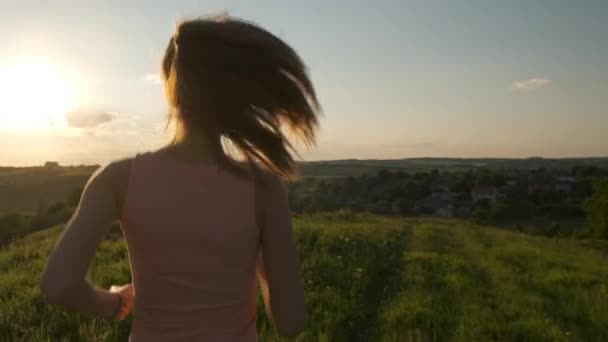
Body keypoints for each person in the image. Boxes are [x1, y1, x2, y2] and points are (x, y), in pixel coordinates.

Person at [40, 15, 320, 341]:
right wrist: (260, 263)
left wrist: (112, 304)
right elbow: (291, 322)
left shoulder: (116, 179)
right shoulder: (263, 187)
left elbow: (59, 284)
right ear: (236, 94)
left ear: (171, 89)